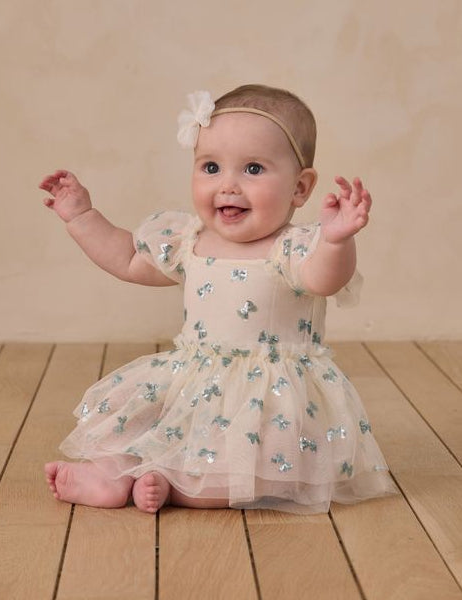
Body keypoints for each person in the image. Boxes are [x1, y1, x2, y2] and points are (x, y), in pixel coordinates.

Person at [41, 84, 396, 514]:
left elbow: (324, 280)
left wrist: (337, 239)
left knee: (250, 470)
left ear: (300, 188)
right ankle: (114, 472)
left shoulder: (296, 248)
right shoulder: (189, 240)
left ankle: (166, 483)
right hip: (193, 384)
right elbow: (129, 259)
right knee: (138, 424)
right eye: (210, 167)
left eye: (252, 169)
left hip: (268, 402)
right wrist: (82, 217)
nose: (228, 185)